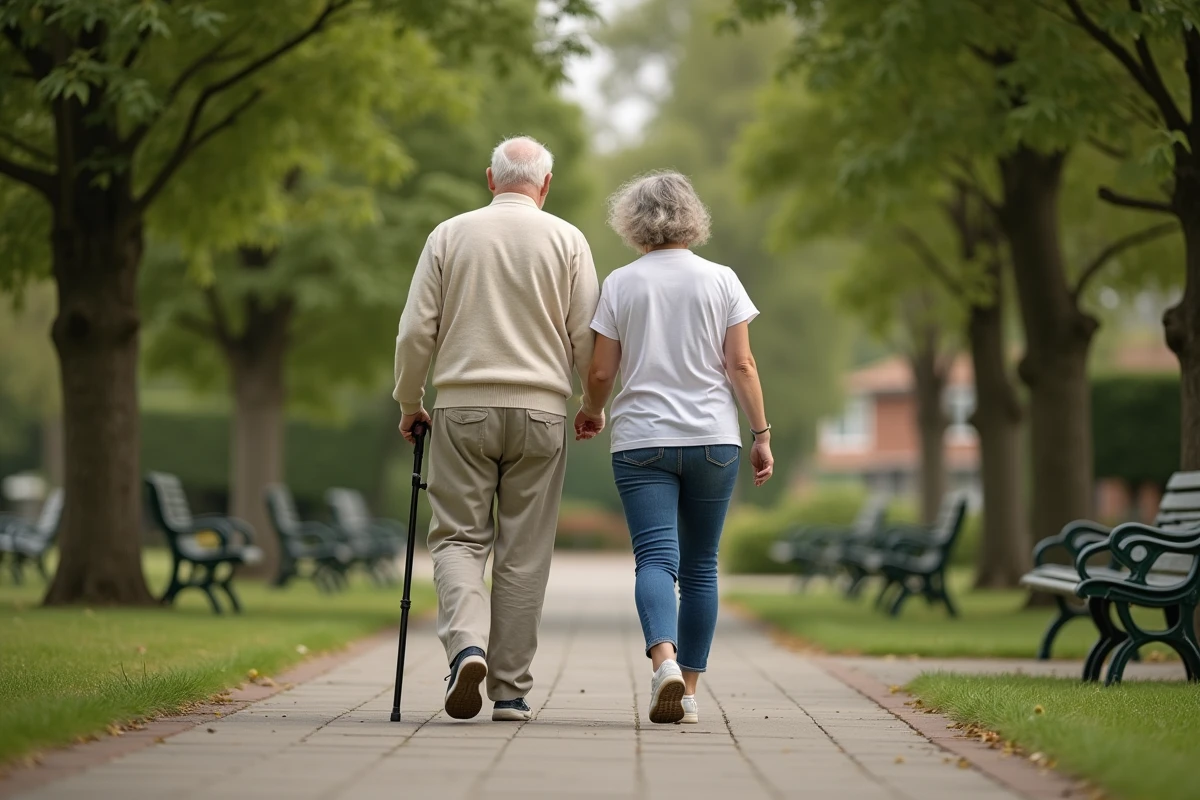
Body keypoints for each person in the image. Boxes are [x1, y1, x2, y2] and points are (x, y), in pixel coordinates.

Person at [393, 136, 600, 722]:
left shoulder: (448, 235)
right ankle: (510, 691)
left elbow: (414, 332)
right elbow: (587, 337)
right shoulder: (568, 239)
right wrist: (592, 403)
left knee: (458, 538)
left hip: (463, 406)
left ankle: (467, 648)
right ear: (546, 185)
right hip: (542, 411)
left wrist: (410, 399)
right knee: (524, 552)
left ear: (490, 179)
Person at [576, 171, 774, 725]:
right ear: (692, 216)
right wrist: (760, 434)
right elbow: (741, 365)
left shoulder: (620, 283)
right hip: (714, 440)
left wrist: (592, 411)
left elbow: (600, 369)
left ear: (633, 221)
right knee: (702, 567)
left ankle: (661, 658)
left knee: (655, 559)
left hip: (641, 442)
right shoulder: (722, 280)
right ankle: (686, 690)